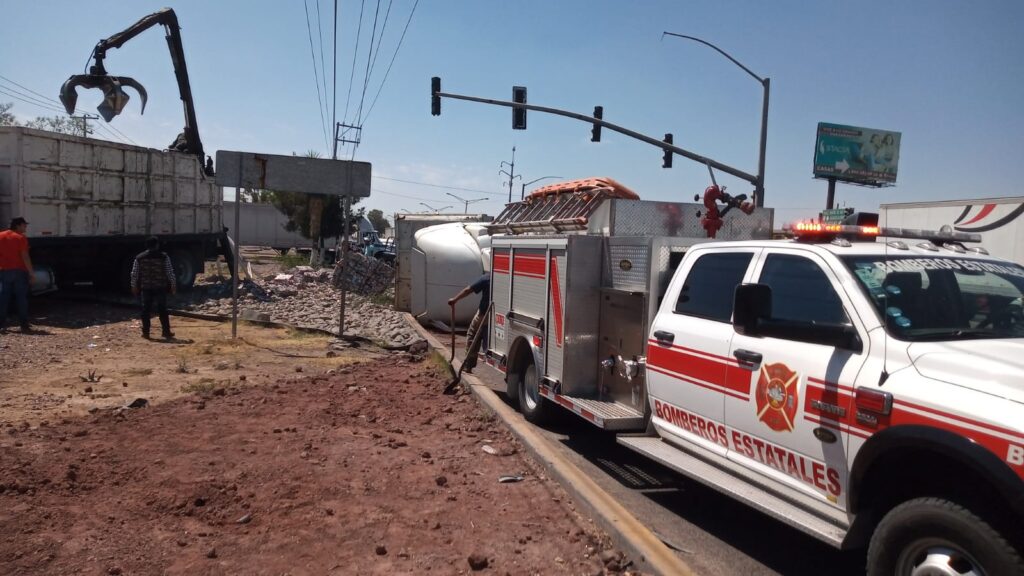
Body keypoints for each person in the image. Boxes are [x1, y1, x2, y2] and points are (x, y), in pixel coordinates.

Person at [131, 236, 177, 340]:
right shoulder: (164, 257)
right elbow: (170, 272)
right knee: (162, 310)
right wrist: (173, 285)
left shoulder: (139, 258)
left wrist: (133, 285)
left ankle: (146, 333)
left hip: (146, 287)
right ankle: (166, 332)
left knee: (145, 310)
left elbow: (134, 273)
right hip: (160, 286)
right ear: (157, 245)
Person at [448, 273, 490, 373]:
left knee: (472, 335)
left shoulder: (487, 278)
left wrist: (455, 299)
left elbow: (468, 290)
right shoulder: (506, 277)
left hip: (484, 314)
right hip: (497, 315)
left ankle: (468, 365)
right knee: (484, 334)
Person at [0, 217, 34, 333]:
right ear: (18, 225)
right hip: (19, 271)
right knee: (21, 298)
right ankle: (24, 324)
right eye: (24, 225)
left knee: (4, 297)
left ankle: (1, 324)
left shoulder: (1, 236)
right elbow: (25, 256)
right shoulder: (20, 238)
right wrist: (31, 273)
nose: (25, 227)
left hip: (4, 270)